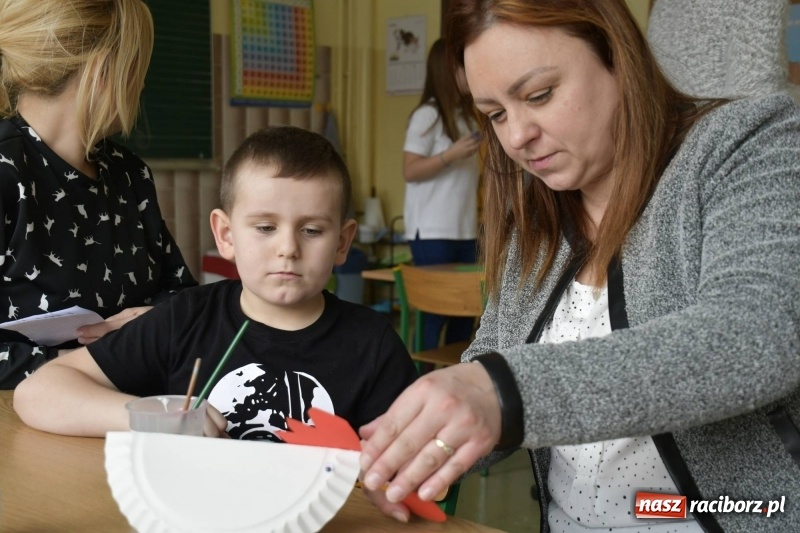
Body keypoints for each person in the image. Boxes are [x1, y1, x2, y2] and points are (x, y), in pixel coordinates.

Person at [359, 1, 800, 531]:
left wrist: (505, 392)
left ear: (616, 55)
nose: (516, 136)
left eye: (539, 95)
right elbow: (494, 359)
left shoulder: (749, 142)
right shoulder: (536, 217)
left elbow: (755, 334)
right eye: (495, 114)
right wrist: (410, 444)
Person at [14, 126, 418, 442]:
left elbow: (410, 467)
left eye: (312, 230)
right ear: (226, 235)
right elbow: (38, 393)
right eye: (265, 227)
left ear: (342, 242)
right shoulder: (185, 318)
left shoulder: (374, 344)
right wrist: (154, 418)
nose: (288, 249)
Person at [0, 0, 197, 389]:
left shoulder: (130, 174)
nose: (142, 83)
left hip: (126, 407)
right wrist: (86, 363)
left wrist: (156, 322)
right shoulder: (6, 170)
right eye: (138, 64)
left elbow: (181, 298)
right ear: (104, 70)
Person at [402, 38, 482, 350]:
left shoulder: (467, 116)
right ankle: (420, 375)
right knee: (433, 315)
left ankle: (456, 375)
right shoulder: (428, 115)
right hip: (432, 232)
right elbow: (410, 170)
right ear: (448, 70)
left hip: (465, 231)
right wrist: (450, 155)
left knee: (465, 313)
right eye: (465, 65)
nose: (471, 71)